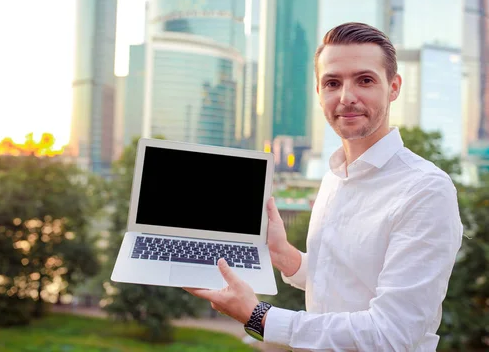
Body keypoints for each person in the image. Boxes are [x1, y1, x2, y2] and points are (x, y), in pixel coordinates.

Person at [185, 22, 464, 351]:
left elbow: (391, 334)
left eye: (365, 80)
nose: (346, 97)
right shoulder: (334, 174)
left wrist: (258, 315)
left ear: (393, 87)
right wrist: (286, 257)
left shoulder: (426, 189)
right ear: (319, 93)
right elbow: (344, 281)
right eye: (332, 82)